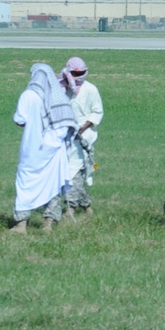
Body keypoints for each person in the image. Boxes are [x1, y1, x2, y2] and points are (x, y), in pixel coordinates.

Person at [11, 63, 76, 233]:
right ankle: (48, 223)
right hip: (54, 151)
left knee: (25, 184)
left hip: (31, 149)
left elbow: (20, 120)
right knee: (53, 185)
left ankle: (21, 225)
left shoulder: (28, 95)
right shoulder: (59, 97)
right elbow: (66, 125)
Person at [59, 56, 104, 216]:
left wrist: (82, 129)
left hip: (85, 136)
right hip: (65, 135)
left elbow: (97, 112)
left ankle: (70, 206)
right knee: (73, 171)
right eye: (74, 74)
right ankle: (87, 206)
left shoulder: (91, 89)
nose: (77, 77)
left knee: (74, 170)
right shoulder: (63, 88)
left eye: (81, 73)